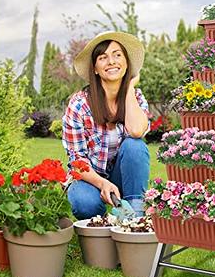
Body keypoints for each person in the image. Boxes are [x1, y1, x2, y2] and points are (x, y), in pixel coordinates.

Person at [62, 31, 151, 219]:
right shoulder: (79, 105)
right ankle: (103, 223)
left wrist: (129, 89)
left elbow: (136, 131)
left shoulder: (135, 97)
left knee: (135, 146)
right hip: (90, 178)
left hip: (121, 174)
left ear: (127, 64)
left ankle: (134, 217)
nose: (111, 61)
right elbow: (78, 162)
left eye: (117, 55)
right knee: (84, 203)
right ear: (95, 68)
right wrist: (102, 184)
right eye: (103, 57)